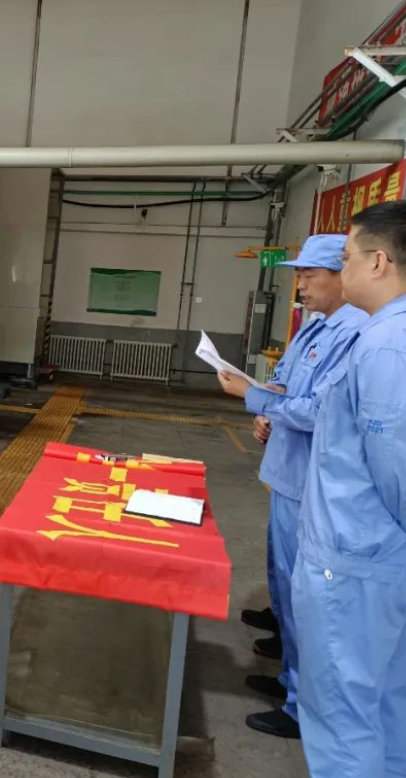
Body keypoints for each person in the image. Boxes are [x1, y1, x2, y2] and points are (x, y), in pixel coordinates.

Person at [217, 234, 366, 740]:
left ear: (346, 274)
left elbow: (322, 409)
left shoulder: (358, 333)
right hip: (289, 473)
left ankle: (303, 706)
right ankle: (289, 681)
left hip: (315, 485)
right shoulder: (317, 325)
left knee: (308, 599)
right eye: (298, 275)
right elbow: (286, 386)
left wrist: (256, 398)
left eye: (309, 275)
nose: (300, 285)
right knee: (284, 582)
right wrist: (267, 407)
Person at [290, 201, 406, 777]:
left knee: (344, 716)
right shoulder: (385, 335)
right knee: (383, 706)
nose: (343, 268)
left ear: (378, 261)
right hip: (373, 561)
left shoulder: (386, 345)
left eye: (347, 257)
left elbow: (395, 471)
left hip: (355, 563)